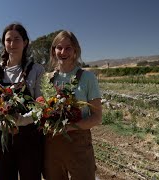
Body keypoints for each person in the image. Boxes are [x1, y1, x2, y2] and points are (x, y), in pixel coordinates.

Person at [0, 23, 45, 180]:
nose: (12, 44)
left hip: (29, 137)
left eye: (16, 39)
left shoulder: (36, 70)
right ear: (4, 43)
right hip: (2, 138)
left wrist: (21, 120)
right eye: (8, 40)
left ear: (25, 42)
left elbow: (41, 104)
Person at [43, 30, 102, 180]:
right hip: (52, 144)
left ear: (75, 50)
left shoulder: (88, 77)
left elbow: (96, 117)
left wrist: (68, 127)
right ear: (53, 50)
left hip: (79, 144)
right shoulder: (46, 80)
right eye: (59, 47)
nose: (63, 52)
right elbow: (42, 112)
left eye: (68, 47)